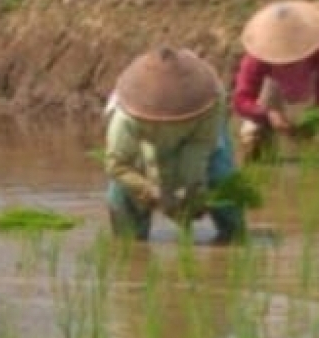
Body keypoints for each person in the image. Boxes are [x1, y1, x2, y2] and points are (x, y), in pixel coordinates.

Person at [104, 48, 245, 244]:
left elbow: (199, 149)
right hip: (143, 144)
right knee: (121, 197)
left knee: (221, 179)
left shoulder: (210, 99)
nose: (167, 120)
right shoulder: (125, 114)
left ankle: (233, 237)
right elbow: (117, 165)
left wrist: (193, 193)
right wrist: (155, 192)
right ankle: (131, 244)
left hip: (198, 137)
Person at [230, 0, 319, 160]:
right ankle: (260, 153)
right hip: (273, 78)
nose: (288, 59)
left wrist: (312, 121)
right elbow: (241, 100)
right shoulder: (257, 57)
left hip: (315, 70)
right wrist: (268, 114)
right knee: (252, 132)